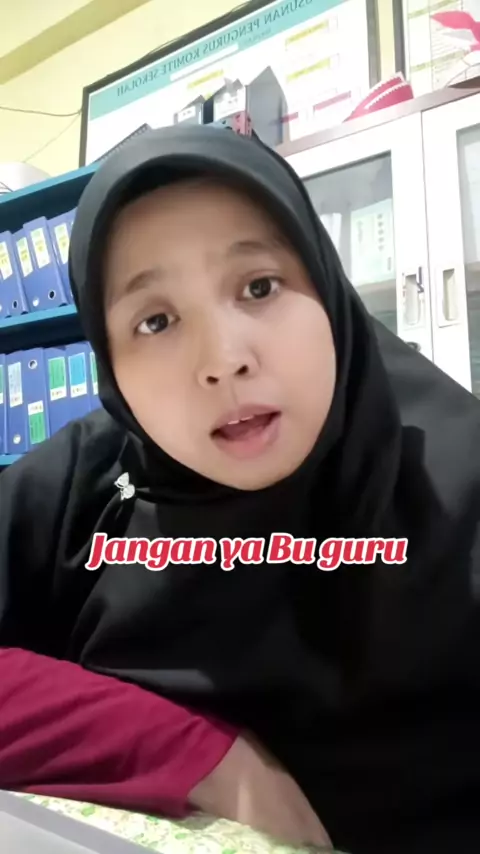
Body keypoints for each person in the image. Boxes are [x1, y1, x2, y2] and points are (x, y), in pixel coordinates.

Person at [1, 124, 479, 854]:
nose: (223, 361)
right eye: (155, 321)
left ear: (327, 290)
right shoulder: (89, 480)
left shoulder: (457, 486)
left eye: (259, 286)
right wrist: (201, 757)